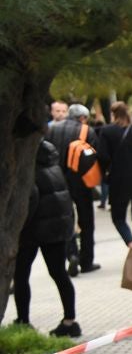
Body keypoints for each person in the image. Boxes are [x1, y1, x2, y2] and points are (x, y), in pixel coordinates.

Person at [13, 139, 80, 337]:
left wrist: (19, 227)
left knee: (21, 274)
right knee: (59, 273)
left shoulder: (28, 167)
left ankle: (23, 321)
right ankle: (70, 321)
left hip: (34, 230)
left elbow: (30, 199)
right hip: (57, 228)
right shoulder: (52, 164)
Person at [46, 102, 105, 275]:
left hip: (56, 180)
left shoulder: (51, 130)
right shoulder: (86, 131)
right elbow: (97, 156)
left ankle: (71, 254)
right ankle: (86, 261)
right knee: (86, 220)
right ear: (82, 117)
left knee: (66, 219)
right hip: (81, 181)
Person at [101, 101, 132, 246]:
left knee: (118, 217)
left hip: (118, 179)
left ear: (113, 114)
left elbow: (103, 156)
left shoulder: (107, 131)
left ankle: (131, 244)